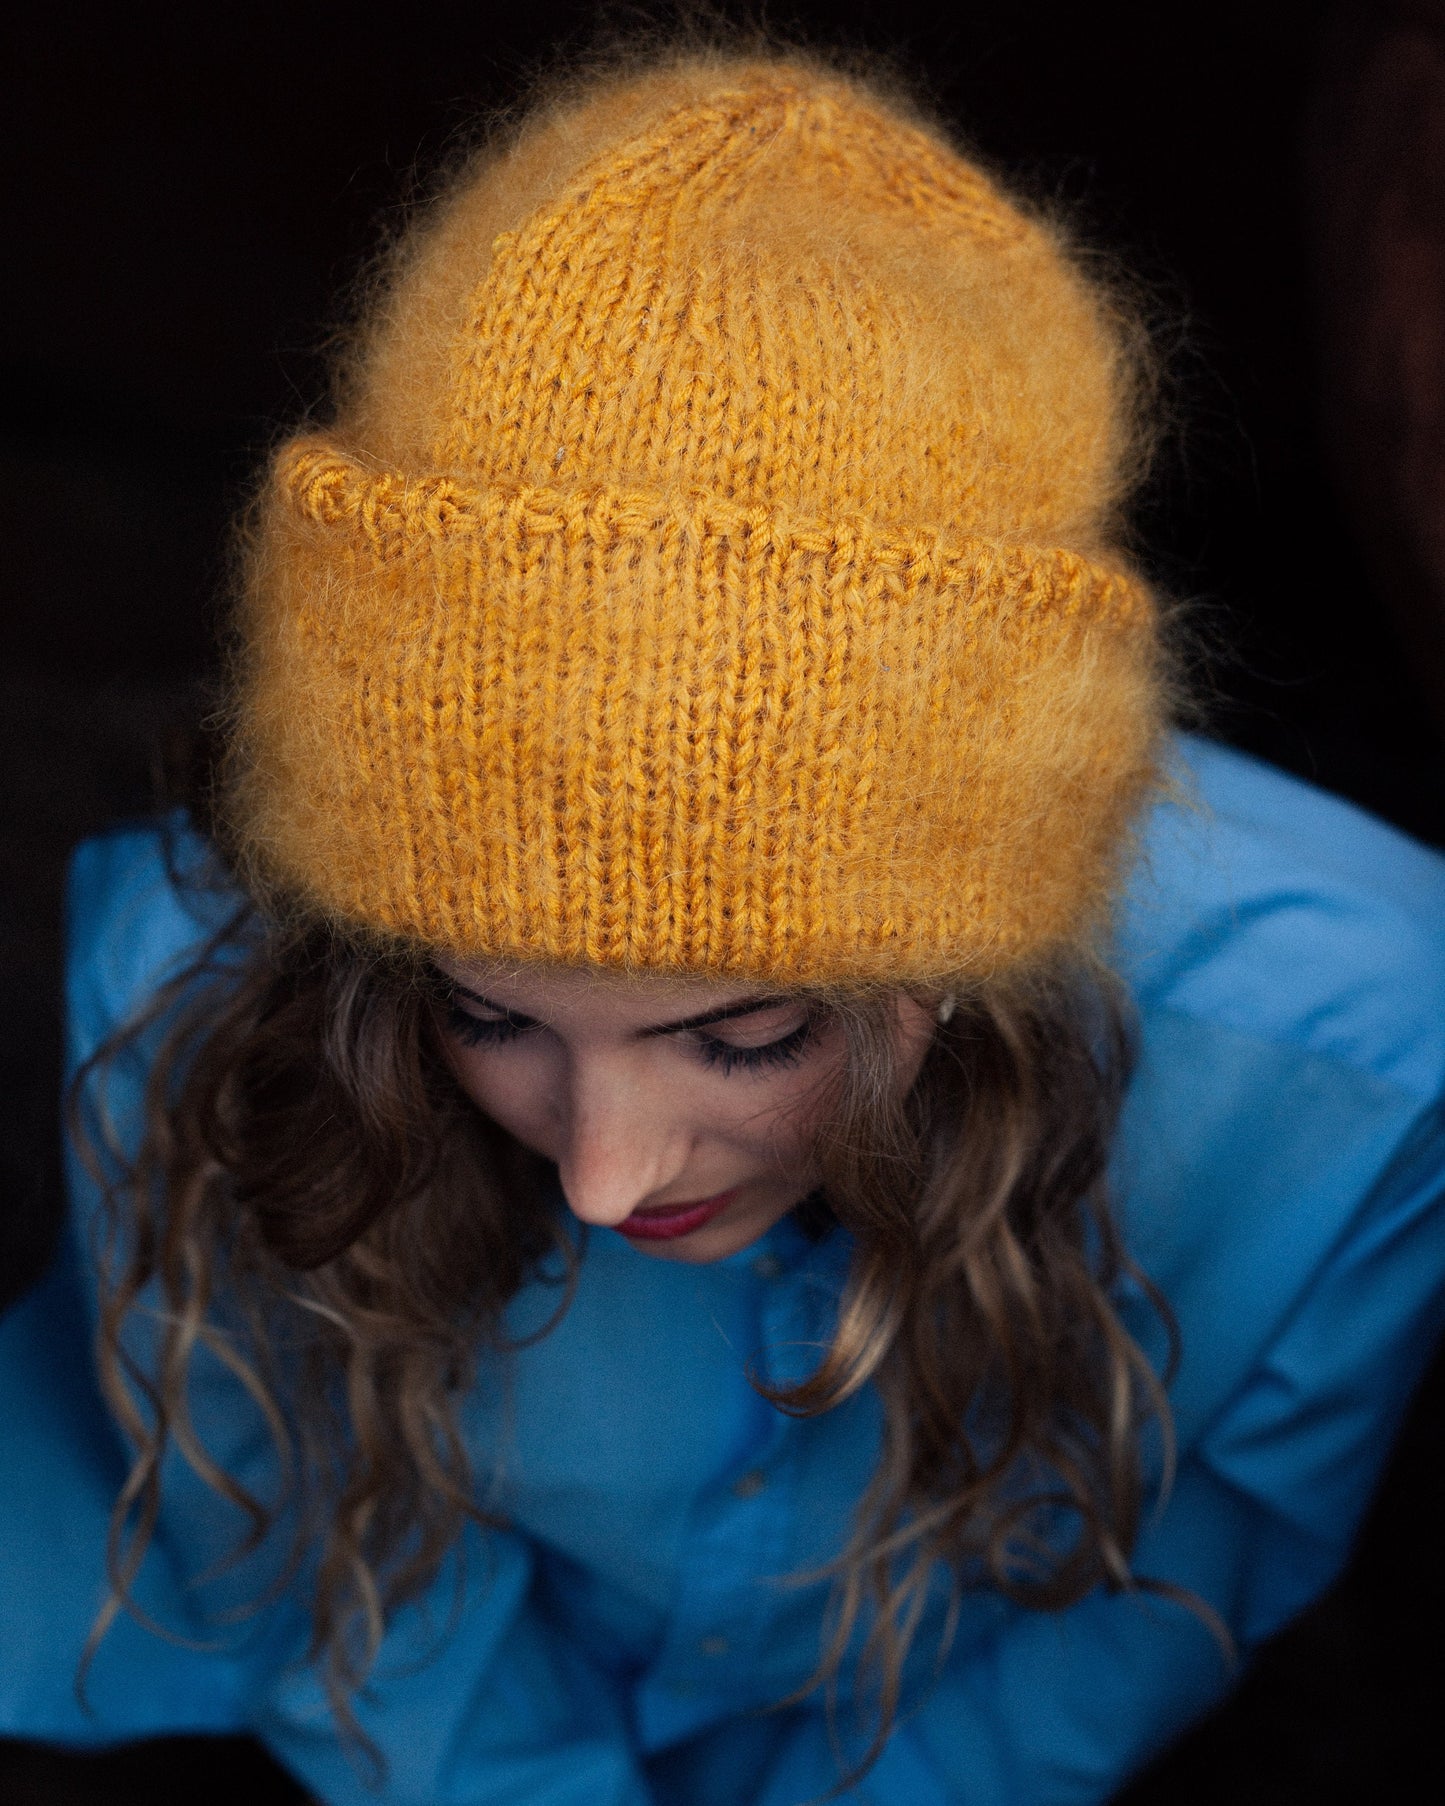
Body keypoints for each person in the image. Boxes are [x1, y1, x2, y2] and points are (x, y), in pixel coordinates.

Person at [3, 44, 1445, 1806]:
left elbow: (1176, 1585)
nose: (604, 1181)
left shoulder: (1364, 1067)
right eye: (486, 1014)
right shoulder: (188, 981)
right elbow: (333, 1585)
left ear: (973, 939)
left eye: (746, 1032)